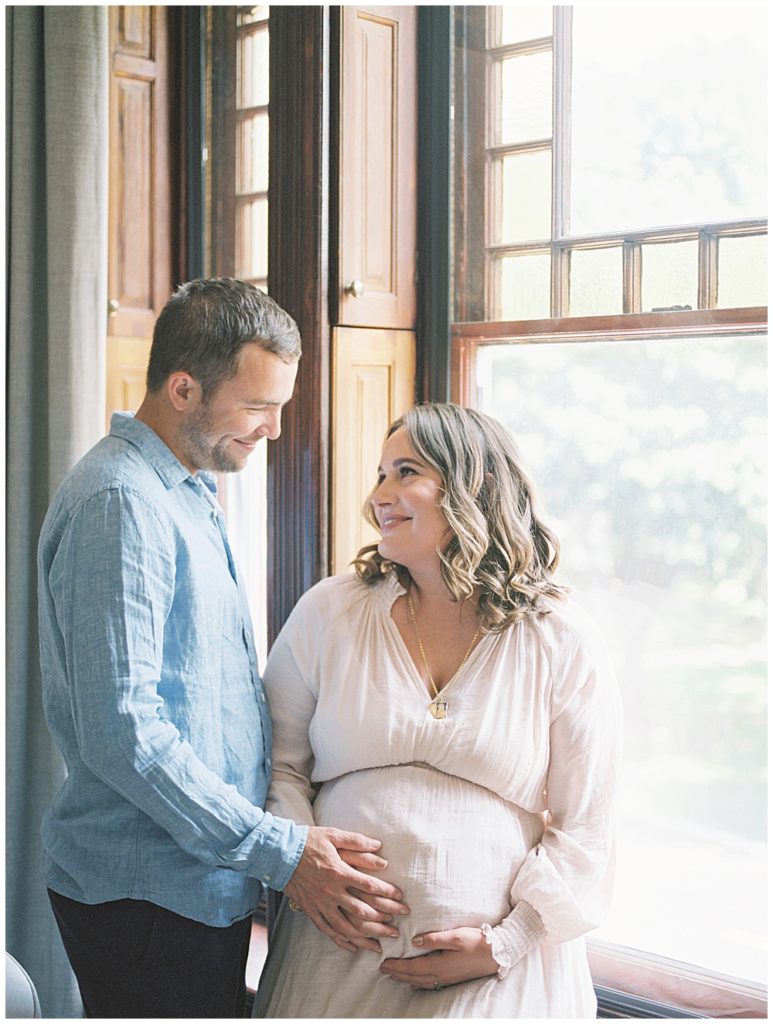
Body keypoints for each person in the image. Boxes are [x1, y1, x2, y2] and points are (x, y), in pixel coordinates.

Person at [37, 278, 405, 1019]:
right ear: (182, 388)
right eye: (257, 407)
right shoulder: (123, 503)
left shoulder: (183, 490)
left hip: (194, 880)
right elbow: (125, 734)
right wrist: (281, 850)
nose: (272, 428)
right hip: (148, 895)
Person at [253, 401, 622, 1018]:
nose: (379, 496)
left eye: (405, 472)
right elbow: (277, 764)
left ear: (471, 487)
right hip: (334, 959)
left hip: (499, 977)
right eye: (379, 474)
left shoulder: (560, 638)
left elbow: (588, 826)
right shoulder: (330, 613)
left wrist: (507, 942)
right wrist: (304, 867)